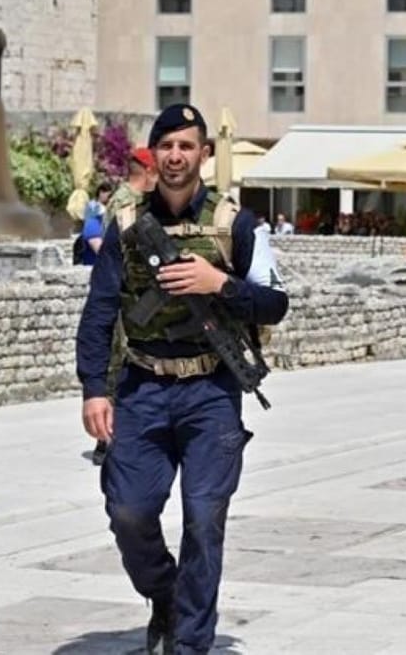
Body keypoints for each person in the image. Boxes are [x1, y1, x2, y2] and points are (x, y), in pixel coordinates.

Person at [76, 103, 289, 655]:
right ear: (154, 154)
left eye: (187, 146)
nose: (176, 156)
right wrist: (94, 389)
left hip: (210, 390)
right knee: (129, 511)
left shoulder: (237, 226)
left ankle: (190, 643)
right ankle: (165, 596)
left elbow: (274, 304)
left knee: (203, 517)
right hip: (142, 387)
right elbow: (100, 313)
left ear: (204, 153)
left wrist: (218, 282)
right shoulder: (126, 227)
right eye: (166, 146)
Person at [88, 148, 160, 467]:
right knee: (119, 363)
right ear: (146, 169)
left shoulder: (128, 197)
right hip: (125, 295)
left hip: (131, 294)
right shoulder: (127, 201)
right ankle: (108, 439)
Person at [75, 182, 114, 266]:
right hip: (93, 238)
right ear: (101, 192)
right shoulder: (93, 205)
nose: (108, 199)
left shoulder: (97, 206)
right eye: (108, 196)